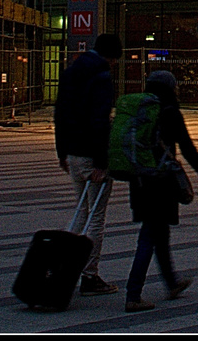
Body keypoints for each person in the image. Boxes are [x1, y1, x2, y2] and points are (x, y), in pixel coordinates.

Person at [123, 70, 198, 313]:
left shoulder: (140, 110)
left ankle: (172, 282)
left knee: (158, 233)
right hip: (160, 183)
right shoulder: (169, 112)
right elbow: (185, 144)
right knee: (150, 235)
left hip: (140, 181)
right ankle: (133, 294)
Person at [54, 33, 124, 297]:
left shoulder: (71, 72)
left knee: (80, 212)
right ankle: (89, 275)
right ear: (112, 56)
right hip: (91, 156)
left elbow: (60, 112)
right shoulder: (102, 77)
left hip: (72, 152)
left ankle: (63, 266)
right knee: (95, 216)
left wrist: (62, 151)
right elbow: (99, 121)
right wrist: (102, 162)